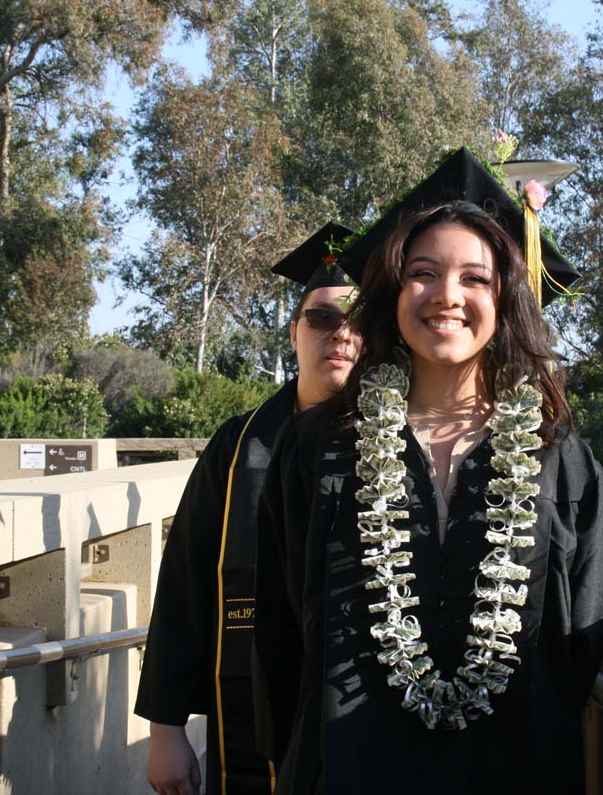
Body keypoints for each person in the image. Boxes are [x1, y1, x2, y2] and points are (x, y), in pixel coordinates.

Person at [252, 149, 603, 795]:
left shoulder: (558, 459)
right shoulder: (319, 448)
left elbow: (580, 644)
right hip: (350, 773)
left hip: (517, 773)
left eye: (475, 278)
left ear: (504, 298)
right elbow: (282, 629)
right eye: (423, 273)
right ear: (392, 292)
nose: (447, 295)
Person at [136, 222, 361, 795]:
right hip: (256, 702)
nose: (341, 334)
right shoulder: (238, 447)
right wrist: (165, 729)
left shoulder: (400, 446)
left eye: (358, 320)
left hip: (361, 706)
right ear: (294, 332)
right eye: (322, 318)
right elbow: (185, 581)